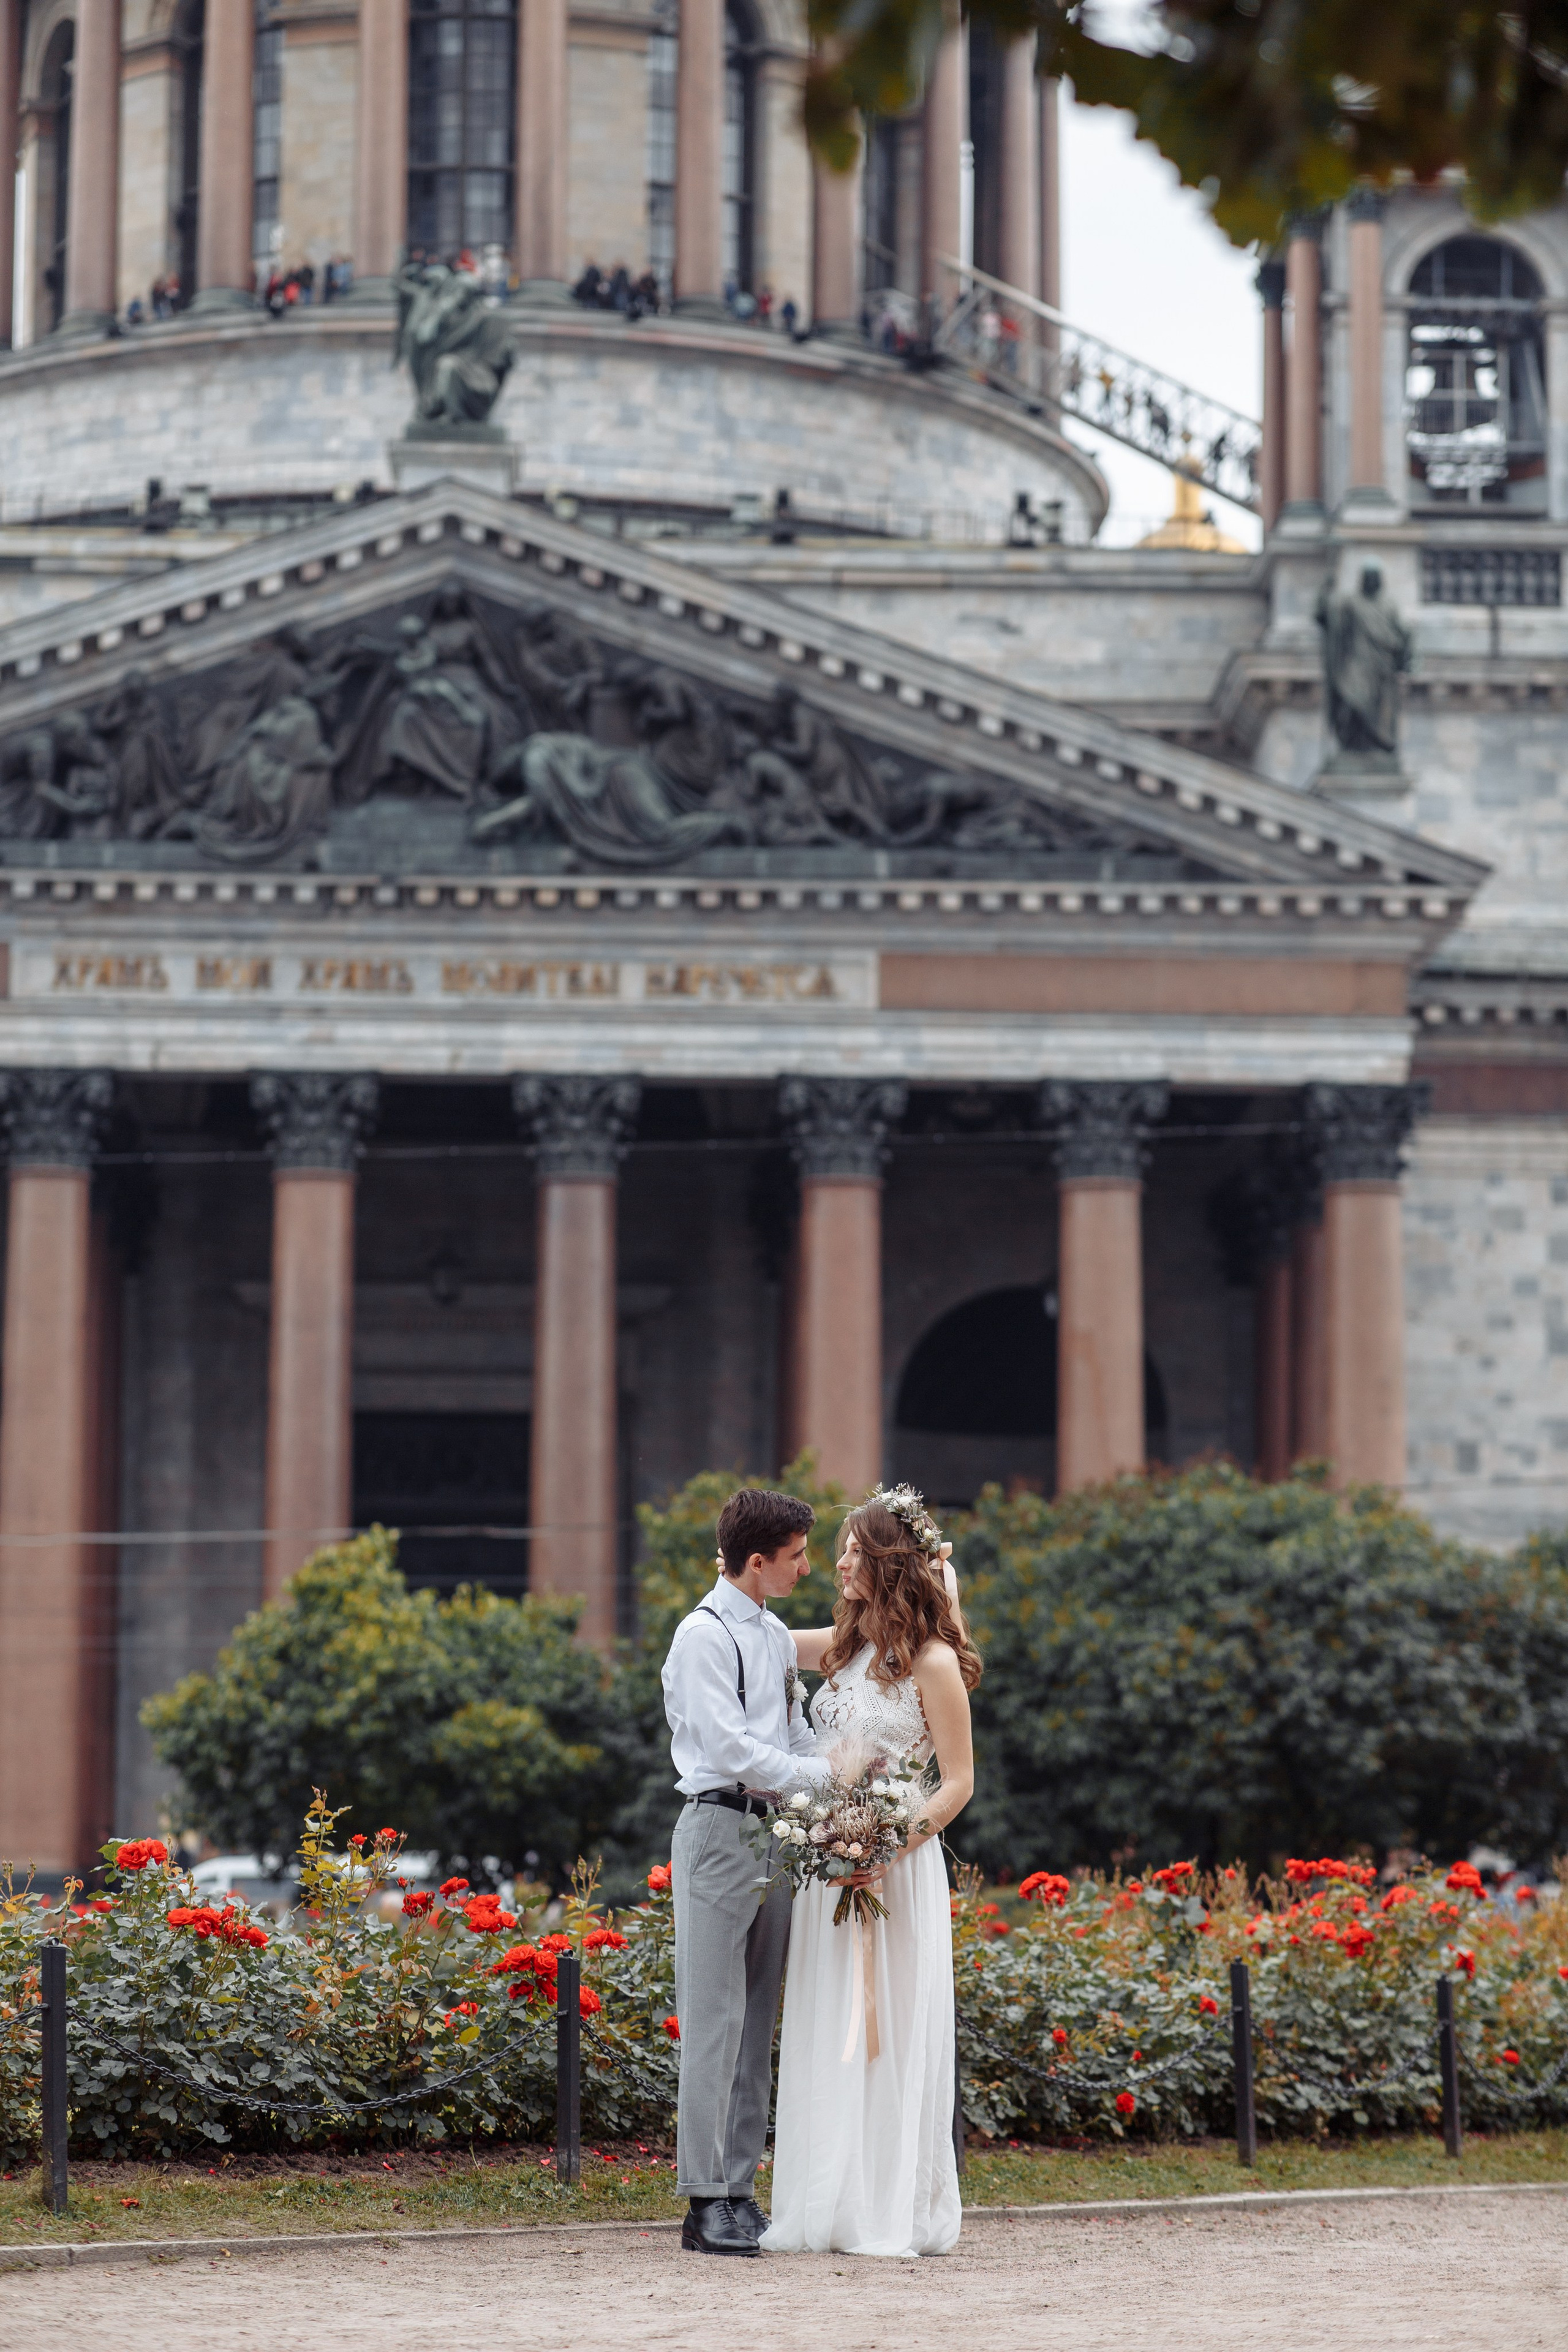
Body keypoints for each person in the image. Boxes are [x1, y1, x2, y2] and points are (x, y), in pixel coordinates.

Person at [761, 1486, 980, 2258]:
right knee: (828, 2027)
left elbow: (958, 1782)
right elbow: (764, 1638)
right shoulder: (844, 1647)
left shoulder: (933, 1662)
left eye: (855, 1550)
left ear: (890, 1563)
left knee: (888, 2035)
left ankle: (885, 2209)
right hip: (828, 1865)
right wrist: (731, 1592)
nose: (840, 1563)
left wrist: (888, 1846)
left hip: (896, 1869)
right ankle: (825, 2203)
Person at [662, 1488, 832, 2256]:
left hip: (775, 1834)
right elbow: (728, 1749)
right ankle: (703, 2203)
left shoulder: (770, 1635)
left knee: (757, 2020)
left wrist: (843, 1777)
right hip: (718, 1827)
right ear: (757, 1561)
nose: (807, 1567)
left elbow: (793, 1733)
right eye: (797, 1555)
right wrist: (822, 1778)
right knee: (714, 2023)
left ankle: (738, 2191)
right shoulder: (701, 1637)